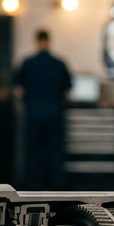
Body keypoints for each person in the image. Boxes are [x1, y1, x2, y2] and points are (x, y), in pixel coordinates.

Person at [13, 29, 73, 189]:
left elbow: (18, 90)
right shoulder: (59, 63)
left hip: (33, 113)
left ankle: (31, 186)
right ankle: (57, 187)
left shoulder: (27, 63)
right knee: (55, 151)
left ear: (36, 41)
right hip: (54, 114)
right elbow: (68, 90)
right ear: (49, 41)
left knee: (32, 152)